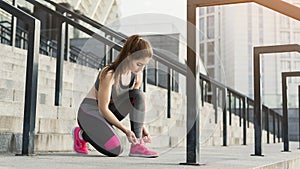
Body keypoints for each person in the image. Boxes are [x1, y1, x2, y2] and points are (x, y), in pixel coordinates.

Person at [72, 34, 158, 158]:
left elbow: (135, 103)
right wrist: (126, 130)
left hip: (108, 114)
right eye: (139, 64)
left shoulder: (136, 76)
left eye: (144, 65)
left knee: (137, 95)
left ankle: (137, 146)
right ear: (129, 56)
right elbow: (103, 109)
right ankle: (81, 135)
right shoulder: (109, 74)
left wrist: (140, 127)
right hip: (89, 113)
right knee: (115, 150)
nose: (141, 69)